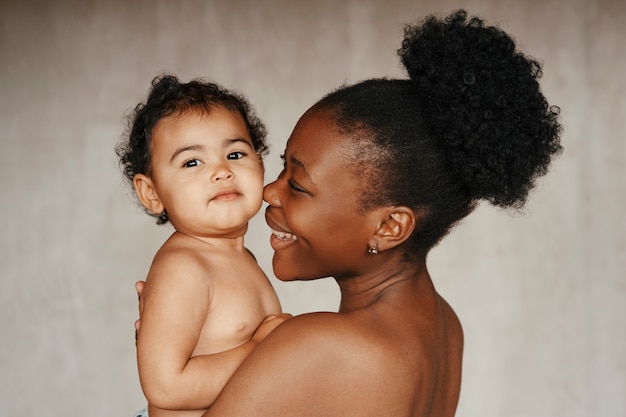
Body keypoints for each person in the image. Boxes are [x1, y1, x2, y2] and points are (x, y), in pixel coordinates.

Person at [135, 10, 562, 416]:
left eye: (298, 185)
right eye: (281, 167)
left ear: (389, 226)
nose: (268, 192)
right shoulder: (445, 327)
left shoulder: (315, 345)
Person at [116, 74, 285, 417]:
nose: (222, 171)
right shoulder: (184, 266)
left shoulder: (240, 257)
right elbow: (167, 387)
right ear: (152, 193)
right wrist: (258, 349)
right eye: (192, 162)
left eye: (236, 154)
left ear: (261, 165)